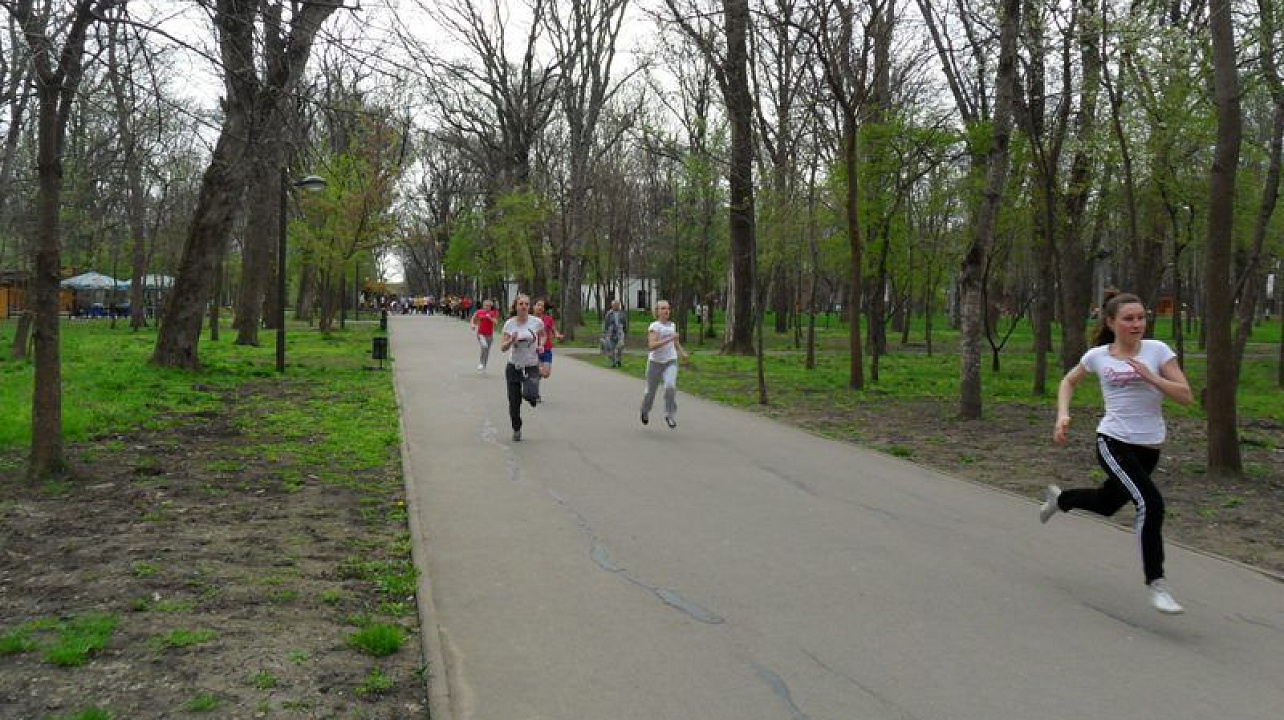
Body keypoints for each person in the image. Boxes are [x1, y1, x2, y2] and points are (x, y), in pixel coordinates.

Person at [1041, 290, 1193, 614]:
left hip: (1150, 447)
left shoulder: (1158, 351)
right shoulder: (1098, 356)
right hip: (1113, 441)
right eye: (1128, 319)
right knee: (1150, 503)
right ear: (1111, 322)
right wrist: (1062, 415)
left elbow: (1186, 396)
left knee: (1108, 504)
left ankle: (1060, 499)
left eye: (1141, 317)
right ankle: (1157, 585)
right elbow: (1068, 382)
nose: (1137, 324)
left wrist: (1152, 377)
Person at [499, 294, 545, 442]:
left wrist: (541, 345)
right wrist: (511, 341)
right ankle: (516, 428)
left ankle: (531, 396)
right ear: (516, 306)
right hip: (514, 366)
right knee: (514, 401)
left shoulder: (536, 322)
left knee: (530, 395)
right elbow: (503, 347)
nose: (524, 306)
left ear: (529, 306)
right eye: (521, 304)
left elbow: (543, 335)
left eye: (526, 304)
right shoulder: (509, 324)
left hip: (531, 365)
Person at [639, 299, 688, 429]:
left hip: (670, 361)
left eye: (668, 308)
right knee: (650, 392)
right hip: (655, 363)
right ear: (657, 311)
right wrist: (668, 339)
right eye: (663, 308)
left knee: (670, 386)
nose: (666, 311)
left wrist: (682, 352)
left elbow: (675, 342)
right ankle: (645, 410)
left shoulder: (672, 325)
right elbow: (651, 346)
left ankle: (669, 414)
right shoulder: (654, 326)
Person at [533, 298, 565, 386]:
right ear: (534, 306)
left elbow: (554, 330)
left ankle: (532, 375)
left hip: (546, 349)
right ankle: (535, 392)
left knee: (546, 374)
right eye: (538, 305)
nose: (540, 307)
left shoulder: (548, 319)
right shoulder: (530, 319)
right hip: (534, 349)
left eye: (542, 306)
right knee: (537, 372)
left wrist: (558, 335)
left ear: (544, 309)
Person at [469, 299, 500, 373]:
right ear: (483, 306)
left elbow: (496, 322)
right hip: (480, 334)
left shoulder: (493, 313)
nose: (487, 307)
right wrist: (472, 325)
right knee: (484, 346)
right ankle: (481, 363)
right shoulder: (479, 312)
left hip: (489, 335)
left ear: (491, 306)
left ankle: (484, 365)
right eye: (486, 305)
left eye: (489, 306)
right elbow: (473, 318)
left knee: (487, 351)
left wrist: (490, 318)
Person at [602, 299, 628, 368]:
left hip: (620, 332)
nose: (615, 306)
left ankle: (618, 360)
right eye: (614, 305)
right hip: (611, 332)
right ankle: (613, 362)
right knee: (611, 348)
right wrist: (605, 333)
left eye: (617, 305)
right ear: (612, 306)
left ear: (619, 305)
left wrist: (625, 332)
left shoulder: (622, 314)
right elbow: (606, 324)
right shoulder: (609, 314)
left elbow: (625, 323)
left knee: (620, 346)